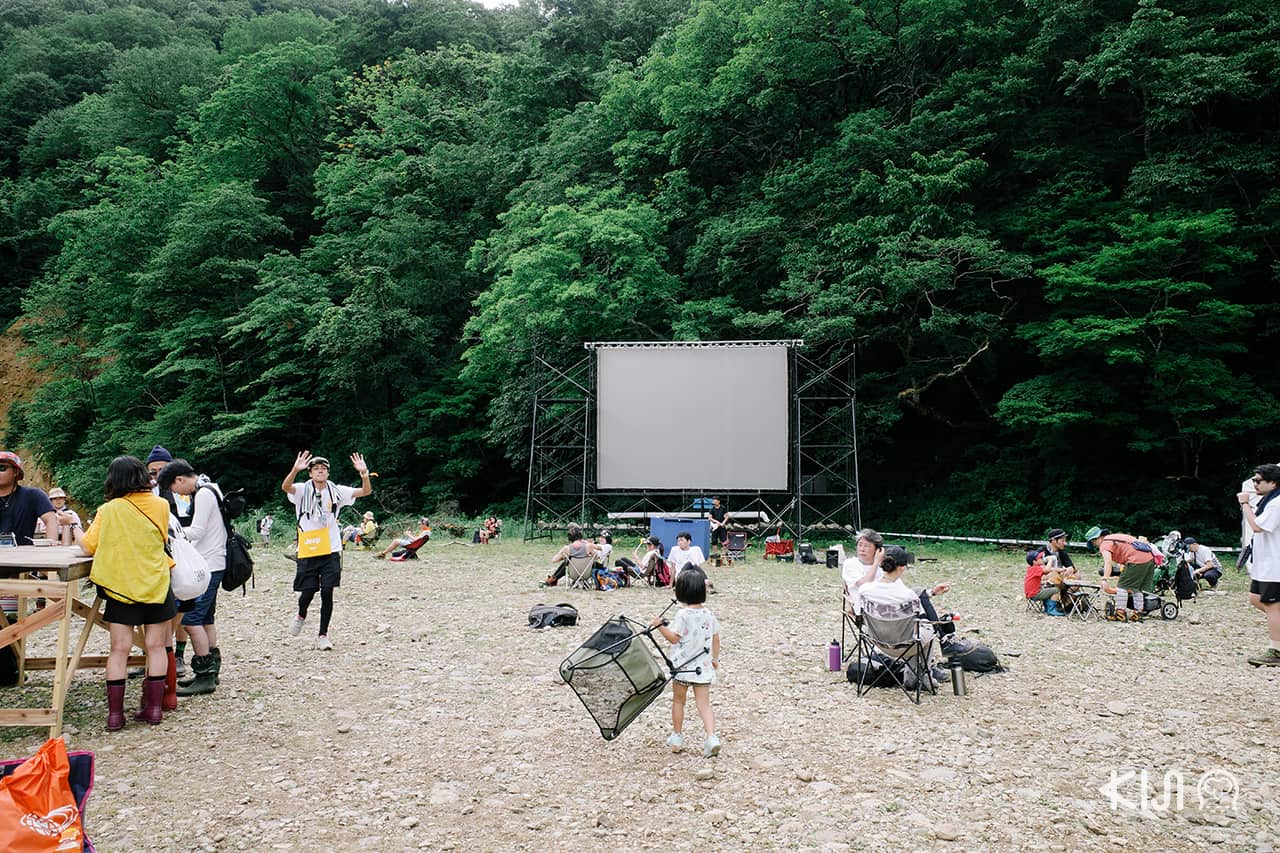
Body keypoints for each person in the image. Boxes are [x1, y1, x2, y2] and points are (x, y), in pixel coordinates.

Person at [80, 456, 176, 730]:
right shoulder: (161, 505)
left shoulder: (108, 510)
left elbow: (88, 547)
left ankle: (115, 716)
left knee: (119, 650)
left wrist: (74, 529)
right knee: (156, 646)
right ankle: (154, 710)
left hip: (121, 587)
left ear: (114, 479)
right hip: (156, 583)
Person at [283, 451, 373, 650]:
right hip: (308, 548)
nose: (320, 471)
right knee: (307, 591)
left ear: (328, 473)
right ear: (309, 473)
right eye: (315, 468)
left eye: (323, 468)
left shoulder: (337, 491)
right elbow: (285, 487)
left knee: (327, 591)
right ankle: (301, 614)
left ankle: (323, 634)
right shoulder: (300, 490)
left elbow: (365, 492)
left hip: (331, 548)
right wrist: (294, 470)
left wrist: (364, 474)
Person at [159, 459, 226, 696]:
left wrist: (168, 533)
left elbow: (197, 531)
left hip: (208, 562)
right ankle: (211, 671)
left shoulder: (204, 494)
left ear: (179, 479)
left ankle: (205, 674)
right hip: (214, 561)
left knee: (191, 620)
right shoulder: (211, 486)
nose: (177, 494)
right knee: (206, 618)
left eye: (174, 489)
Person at [650, 567, 721, 757]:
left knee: (679, 701)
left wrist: (659, 626)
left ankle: (677, 737)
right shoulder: (709, 614)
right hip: (703, 668)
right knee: (704, 704)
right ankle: (712, 737)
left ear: (681, 592)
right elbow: (716, 638)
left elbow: (674, 638)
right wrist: (715, 659)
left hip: (682, 669)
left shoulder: (683, 615)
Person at [858, 545, 950, 687]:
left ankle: (914, 676)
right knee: (928, 628)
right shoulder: (907, 596)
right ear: (902, 568)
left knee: (916, 629)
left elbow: (859, 614)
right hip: (904, 646)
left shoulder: (865, 590)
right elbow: (920, 617)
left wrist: (931, 592)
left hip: (878, 642)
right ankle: (921, 677)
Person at [1239, 464, 1280, 666]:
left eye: (1258, 480)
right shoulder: (1269, 500)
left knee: (1273, 606)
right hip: (1265, 565)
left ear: (1273, 482)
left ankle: (1276, 651)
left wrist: (1245, 504)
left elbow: (1257, 526)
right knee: (1255, 599)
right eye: (1254, 480)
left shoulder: (1277, 503)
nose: (1254, 484)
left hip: (1275, 565)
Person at [1084, 526, 1157, 622]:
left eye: (1093, 542)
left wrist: (1105, 578)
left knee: (1122, 587)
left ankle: (1120, 613)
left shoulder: (1105, 544)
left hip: (1136, 560)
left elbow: (1108, 562)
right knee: (1136, 588)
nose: (1094, 545)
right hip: (1149, 559)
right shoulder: (1114, 537)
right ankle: (1138, 613)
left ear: (1098, 537)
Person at [0, 451, 57, 546]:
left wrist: (50, 547)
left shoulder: (33, 495)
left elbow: (50, 519)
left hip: (24, 556)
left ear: (16, 472)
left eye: (1, 468)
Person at [1024, 549, 1066, 616]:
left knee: (1048, 587)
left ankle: (1048, 607)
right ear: (1034, 561)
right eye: (1040, 558)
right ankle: (1051, 610)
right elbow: (1047, 570)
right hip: (1034, 594)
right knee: (1056, 590)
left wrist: (1062, 569)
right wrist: (1050, 560)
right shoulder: (1035, 568)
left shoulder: (1033, 568)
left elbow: (1050, 569)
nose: (1042, 559)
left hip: (1031, 593)